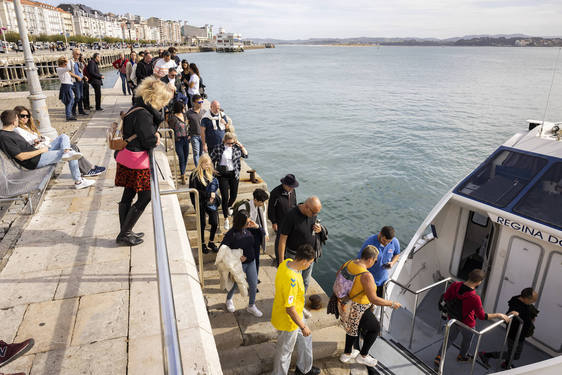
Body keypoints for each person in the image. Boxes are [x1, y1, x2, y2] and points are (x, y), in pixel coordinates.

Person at [114, 77, 171, 246]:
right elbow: (148, 141)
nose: (164, 105)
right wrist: (157, 137)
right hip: (137, 161)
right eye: (164, 101)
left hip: (128, 158)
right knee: (145, 196)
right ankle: (125, 233)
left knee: (128, 195)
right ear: (156, 98)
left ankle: (125, 231)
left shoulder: (137, 108)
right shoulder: (144, 114)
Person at [339, 245, 401, 367]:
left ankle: (347, 354)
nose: (375, 262)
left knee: (352, 328)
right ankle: (363, 356)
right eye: (376, 260)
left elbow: (339, 276)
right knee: (374, 329)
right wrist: (392, 303)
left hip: (346, 303)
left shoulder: (349, 263)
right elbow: (374, 299)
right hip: (359, 307)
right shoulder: (366, 275)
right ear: (370, 259)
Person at [0, 110, 94, 190]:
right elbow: (21, 156)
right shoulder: (5, 137)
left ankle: (67, 152)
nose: (18, 121)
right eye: (17, 119)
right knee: (72, 154)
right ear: (13, 121)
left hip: (38, 154)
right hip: (35, 160)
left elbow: (24, 147)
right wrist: (41, 151)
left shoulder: (10, 132)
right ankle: (78, 181)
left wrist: (37, 145)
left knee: (63, 137)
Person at [434, 269, 510, 366]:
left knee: (449, 338)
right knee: (467, 340)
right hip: (467, 324)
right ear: (479, 282)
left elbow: (446, 297)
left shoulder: (455, 285)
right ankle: (462, 356)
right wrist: (498, 315)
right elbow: (482, 316)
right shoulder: (475, 298)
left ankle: (439, 356)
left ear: (469, 276)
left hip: (453, 319)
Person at [13, 106, 105, 177]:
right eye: (22, 116)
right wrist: (39, 140)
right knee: (67, 143)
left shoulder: (27, 127)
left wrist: (42, 139)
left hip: (44, 147)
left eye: (27, 116)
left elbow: (39, 138)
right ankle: (83, 175)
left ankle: (87, 169)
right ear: (17, 117)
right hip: (39, 152)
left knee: (72, 147)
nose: (25, 118)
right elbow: (30, 143)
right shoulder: (18, 130)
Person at [271, 243, 320, 375]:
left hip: (297, 315)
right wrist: (303, 326)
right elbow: (290, 309)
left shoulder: (287, 262)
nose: (310, 265)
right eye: (309, 262)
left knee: (306, 340)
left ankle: (304, 369)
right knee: (284, 353)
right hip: (288, 322)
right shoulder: (291, 279)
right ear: (304, 261)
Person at [478, 288, 538, 369]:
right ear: (526, 298)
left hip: (521, 333)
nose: (533, 302)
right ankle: (486, 355)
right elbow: (507, 317)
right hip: (515, 334)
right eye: (532, 300)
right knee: (515, 355)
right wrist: (511, 313)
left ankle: (506, 364)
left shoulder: (522, 300)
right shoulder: (516, 306)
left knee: (513, 352)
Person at [223, 210, 263, 318]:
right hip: (239, 265)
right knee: (235, 284)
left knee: (253, 284)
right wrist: (236, 256)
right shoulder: (231, 234)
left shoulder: (250, 229)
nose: (249, 223)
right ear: (241, 222)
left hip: (251, 262)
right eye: (247, 221)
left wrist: (257, 227)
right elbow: (223, 249)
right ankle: (229, 300)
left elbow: (262, 234)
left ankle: (251, 305)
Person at [278, 196, 322, 295]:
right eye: (314, 213)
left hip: (310, 254)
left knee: (305, 281)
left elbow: (313, 227)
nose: (315, 215)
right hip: (295, 255)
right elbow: (282, 239)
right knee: (293, 282)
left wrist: (319, 229)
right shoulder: (291, 215)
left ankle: (300, 301)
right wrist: (281, 262)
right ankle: (291, 303)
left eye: (316, 213)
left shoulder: (312, 213)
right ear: (306, 207)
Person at [209, 132, 248, 231]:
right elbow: (211, 159)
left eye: (232, 143)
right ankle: (226, 219)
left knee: (233, 196)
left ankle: (228, 207)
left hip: (234, 174)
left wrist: (240, 145)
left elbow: (246, 155)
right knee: (225, 197)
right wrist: (213, 170)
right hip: (222, 175)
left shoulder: (236, 148)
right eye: (228, 143)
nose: (230, 145)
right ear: (224, 141)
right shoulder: (218, 147)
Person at [233, 188, 270, 277]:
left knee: (256, 256)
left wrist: (266, 233)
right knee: (245, 256)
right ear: (255, 200)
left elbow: (263, 219)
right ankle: (241, 276)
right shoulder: (244, 207)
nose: (263, 203)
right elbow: (239, 224)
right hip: (245, 233)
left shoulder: (261, 206)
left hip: (256, 232)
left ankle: (254, 276)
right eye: (261, 201)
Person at [358, 226, 401, 298]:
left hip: (383, 281)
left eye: (388, 242)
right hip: (369, 281)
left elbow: (397, 254)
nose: (386, 243)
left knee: (378, 302)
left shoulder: (394, 241)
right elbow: (360, 260)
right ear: (380, 234)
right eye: (384, 240)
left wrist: (392, 263)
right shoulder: (370, 242)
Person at [189, 154, 220, 254]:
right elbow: (193, 191)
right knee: (202, 224)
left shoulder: (211, 172)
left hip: (211, 201)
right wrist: (196, 205)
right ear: (201, 163)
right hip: (200, 202)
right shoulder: (194, 175)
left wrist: (213, 194)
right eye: (206, 164)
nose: (208, 166)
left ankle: (211, 241)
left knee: (215, 222)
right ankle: (202, 243)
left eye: (209, 164)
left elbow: (215, 185)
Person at [268, 174, 299, 266]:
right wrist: (274, 222)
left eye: (293, 187)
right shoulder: (275, 193)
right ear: (284, 184)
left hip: (291, 220)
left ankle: (286, 257)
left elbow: (295, 204)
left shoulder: (293, 191)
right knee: (279, 241)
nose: (292, 189)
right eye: (290, 187)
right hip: (280, 221)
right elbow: (271, 209)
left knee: (289, 239)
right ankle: (279, 260)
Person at [167, 101, 189, 184]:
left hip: (186, 139)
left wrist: (189, 135)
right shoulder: (173, 118)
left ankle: (183, 172)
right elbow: (170, 130)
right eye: (183, 107)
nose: (184, 108)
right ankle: (183, 175)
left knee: (186, 157)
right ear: (180, 108)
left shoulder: (184, 115)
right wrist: (174, 139)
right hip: (178, 140)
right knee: (181, 157)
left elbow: (187, 127)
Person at [56, 56, 78, 121]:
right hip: (66, 86)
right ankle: (68, 116)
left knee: (71, 101)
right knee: (69, 101)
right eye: (65, 64)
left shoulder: (63, 70)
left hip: (68, 85)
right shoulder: (60, 69)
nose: (66, 65)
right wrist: (67, 60)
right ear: (62, 64)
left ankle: (69, 114)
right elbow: (69, 68)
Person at [186, 94, 204, 167]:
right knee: (196, 153)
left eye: (202, 101)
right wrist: (188, 134)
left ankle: (202, 168)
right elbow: (185, 125)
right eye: (199, 102)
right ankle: (198, 169)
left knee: (202, 154)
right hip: (194, 136)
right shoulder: (188, 113)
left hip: (203, 136)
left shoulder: (204, 112)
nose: (201, 103)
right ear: (194, 103)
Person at [70, 48, 88, 116]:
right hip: (75, 81)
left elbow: (80, 71)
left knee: (81, 96)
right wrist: (77, 77)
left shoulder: (78, 62)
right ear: (73, 54)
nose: (78, 55)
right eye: (77, 54)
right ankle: (73, 110)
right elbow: (68, 72)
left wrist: (83, 76)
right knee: (77, 97)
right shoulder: (71, 62)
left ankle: (80, 110)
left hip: (80, 81)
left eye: (79, 54)